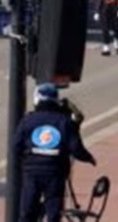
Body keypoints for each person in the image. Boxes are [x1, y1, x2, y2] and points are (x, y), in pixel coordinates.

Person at [13, 83, 96, 222]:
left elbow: (16, 146)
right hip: (55, 172)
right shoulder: (64, 121)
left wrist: (26, 160)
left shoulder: (28, 120)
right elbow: (75, 148)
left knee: (28, 211)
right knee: (53, 210)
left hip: (32, 172)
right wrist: (88, 158)